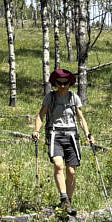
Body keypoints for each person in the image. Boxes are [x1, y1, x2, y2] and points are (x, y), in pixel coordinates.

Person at [31, 68, 95, 210]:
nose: (62, 86)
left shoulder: (74, 98)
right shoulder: (50, 97)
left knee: (71, 171)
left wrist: (88, 134)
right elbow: (41, 115)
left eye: (65, 83)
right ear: (55, 83)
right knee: (59, 165)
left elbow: (81, 118)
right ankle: (64, 198)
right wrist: (36, 130)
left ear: (69, 84)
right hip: (55, 135)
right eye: (59, 83)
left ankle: (69, 202)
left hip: (72, 135)